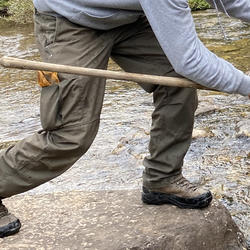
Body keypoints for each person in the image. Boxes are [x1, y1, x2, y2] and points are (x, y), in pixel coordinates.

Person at [0, 0, 250, 238]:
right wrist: (246, 86)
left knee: (179, 85)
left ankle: (162, 178)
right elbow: (191, 61)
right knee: (71, 132)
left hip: (129, 17)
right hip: (69, 18)